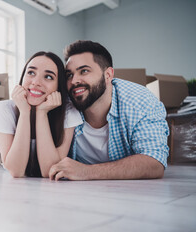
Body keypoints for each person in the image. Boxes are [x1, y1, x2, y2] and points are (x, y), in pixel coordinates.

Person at [49, 40, 170, 181]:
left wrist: (86, 172)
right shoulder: (65, 105)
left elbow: (154, 163)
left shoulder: (141, 102)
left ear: (108, 75)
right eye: (69, 75)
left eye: (84, 71)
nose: (74, 80)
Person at [0, 51, 82, 178]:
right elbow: (16, 171)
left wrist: (41, 113)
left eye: (48, 77)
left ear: (58, 87)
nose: (36, 82)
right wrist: (25, 112)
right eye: (31, 73)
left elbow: (49, 171)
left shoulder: (69, 112)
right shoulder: (4, 109)